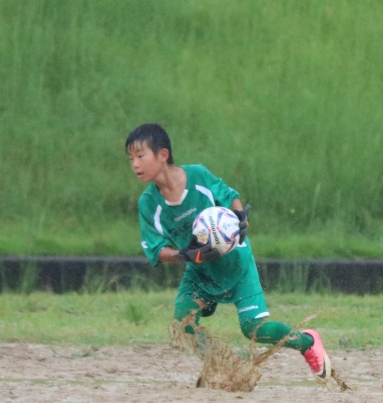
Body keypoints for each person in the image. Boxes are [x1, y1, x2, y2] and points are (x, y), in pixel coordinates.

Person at [125, 123, 336, 386]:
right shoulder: (148, 204)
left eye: (140, 155)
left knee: (254, 329)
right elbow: (156, 250)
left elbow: (229, 196)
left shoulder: (198, 176)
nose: (135, 164)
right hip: (200, 272)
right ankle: (224, 368)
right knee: (183, 324)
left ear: (163, 155)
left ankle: (307, 342)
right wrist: (187, 256)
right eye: (131, 159)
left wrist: (240, 218)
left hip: (237, 264)